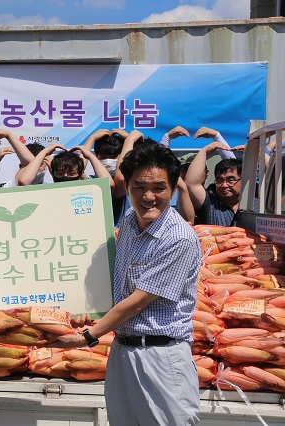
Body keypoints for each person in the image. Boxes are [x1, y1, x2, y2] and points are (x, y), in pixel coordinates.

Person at [50, 141, 201, 426]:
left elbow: (137, 302)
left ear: (172, 187)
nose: (148, 197)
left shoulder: (178, 238)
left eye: (159, 188)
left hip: (160, 357)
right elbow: (121, 287)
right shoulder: (131, 220)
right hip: (122, 350)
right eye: (138, 187)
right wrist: (92, 312)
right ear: (127, 186)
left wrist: (87, 336)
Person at [185, 137, 242, 226]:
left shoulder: (256, 199)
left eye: (230, 180)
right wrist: (204, 151)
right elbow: (191, 183)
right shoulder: (210, 200)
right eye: (219, 180)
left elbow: (272, 181)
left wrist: (258, 153)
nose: (224, 185)